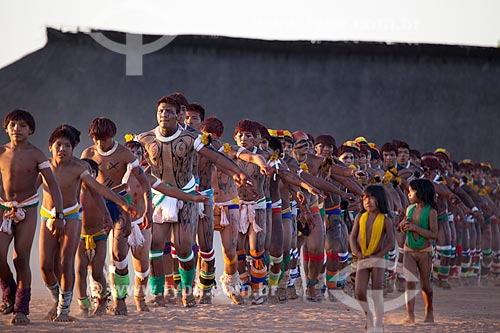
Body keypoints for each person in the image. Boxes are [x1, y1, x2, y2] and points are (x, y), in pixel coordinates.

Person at [137, 96, 252, 307]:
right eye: (162, 111)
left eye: (172, 112)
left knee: (188, 247)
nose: (166, 116)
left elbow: (219, 158)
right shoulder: (146, 138)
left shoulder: (195, 139)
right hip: (161, 194)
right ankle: (160, 293)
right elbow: (131, 163)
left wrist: (238, 172)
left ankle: (195, 291)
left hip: (195, 194)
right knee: (156, 245)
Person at [40, 125, 137, 322]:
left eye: (67, 145)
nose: (62, 149)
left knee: (70, 263)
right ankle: (57, 299)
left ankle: (65, 309)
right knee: (45, 265)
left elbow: (100, 190)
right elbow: (27, 188)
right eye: (58, 145)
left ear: (73, 149)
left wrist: (122, 204)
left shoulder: (79, 168)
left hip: (72, 217)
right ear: (50, 146)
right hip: (48, 215)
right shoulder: (44, 167)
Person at [81, 117, 154, 315]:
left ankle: (120, 299)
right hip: (97, 204)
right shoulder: (88, 153)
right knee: (94, 255)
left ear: (111, 136)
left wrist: (149, 208)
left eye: (103, 139)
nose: (99, 143)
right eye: (96, 139)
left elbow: (145, 181)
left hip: (121, 203)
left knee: (119, 254)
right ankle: (100, 300)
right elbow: (80, 182)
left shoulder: (124, 154)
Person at [0, 110, 64, 325]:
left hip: (27, 208)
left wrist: (60, 213)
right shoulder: (1, 152)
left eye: (22, 125)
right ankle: (8, 290)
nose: (17, 129)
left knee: (21, 258)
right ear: (6, 128)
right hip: (4, 208)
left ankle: (21, 309)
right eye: (13, 125)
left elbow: (52, 184)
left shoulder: (36, 154)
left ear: (31, 130)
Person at [350, 185, 395, 332]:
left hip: (378, 261)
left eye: (371, 198)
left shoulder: (386, 221)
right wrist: (357, 252)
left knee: (377, 292)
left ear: (380, 200)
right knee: (359, 291)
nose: (367, 201)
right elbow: (352, 237)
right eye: (364, 199)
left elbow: (391, 243)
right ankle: (368, 315)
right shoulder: (359, 217)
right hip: (362, 259)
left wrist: (378, 256)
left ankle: (379, 321)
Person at [399, 178, 439, 324]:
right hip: (409, 249)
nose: (408, 195)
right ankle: (410, 315)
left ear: (421, 193)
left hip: (424, 251)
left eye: (411, 192)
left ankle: (429, 310)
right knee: (409, 282)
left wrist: (416, 228)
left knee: (425, 285)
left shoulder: (431, 212)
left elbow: (433, 234)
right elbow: (403, 228)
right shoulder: (410, 209)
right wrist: (402, 225)